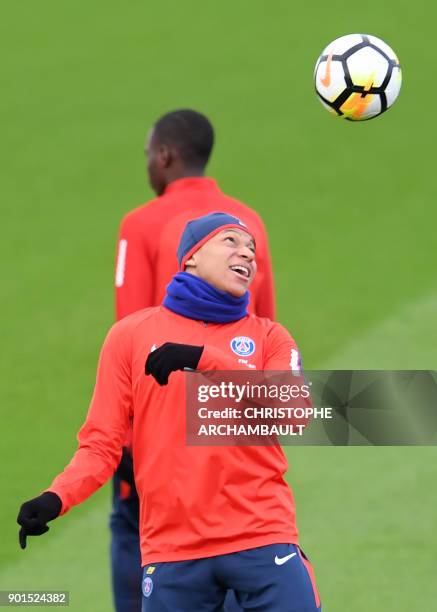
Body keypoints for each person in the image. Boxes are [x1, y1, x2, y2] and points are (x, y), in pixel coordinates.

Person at [17, 212, 321, 612]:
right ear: (190, 257)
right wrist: (57, 498)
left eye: (252, 250)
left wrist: (204, 359)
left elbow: (294, 410)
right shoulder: (129, 337)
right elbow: (101, 444)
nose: (247, 254)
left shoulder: (269, 337)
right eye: (231, 241)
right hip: (173, 550)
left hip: (261, 537)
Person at [112, 109, 276, 611]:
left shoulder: (139, 224)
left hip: (162, 440)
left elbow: (133, 338)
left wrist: (126, 442)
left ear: (164, 156)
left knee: (139, 539)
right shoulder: (248, 224)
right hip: (231, 433)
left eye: (147, 155)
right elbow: (264, 339)